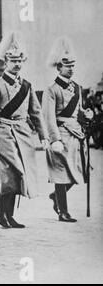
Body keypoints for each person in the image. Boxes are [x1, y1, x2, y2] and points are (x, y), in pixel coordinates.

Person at [0, 32, 49, 229]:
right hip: (3, 133)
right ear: (6, 61)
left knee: (20, 174)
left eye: (20, 61)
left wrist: (44, 136)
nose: (17, 64)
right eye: (13, 60)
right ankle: (3, 213)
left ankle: (5, 213)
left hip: (23, 134)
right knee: (11, 172)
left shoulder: (27, 86)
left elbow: (36, 113)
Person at [43, 36, 94, 222]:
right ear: (58, 67)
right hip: (61, 135)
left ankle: (56, 197)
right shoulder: (51, 90)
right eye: (67, 65)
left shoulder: (77, 89)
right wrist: (54, 139)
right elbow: (48, 117)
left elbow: (78, 112)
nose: (71, 68)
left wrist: (86, 114)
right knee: (61, 174)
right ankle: (62, 211)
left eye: (73, 65)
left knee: (76, 173)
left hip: (76, 136)